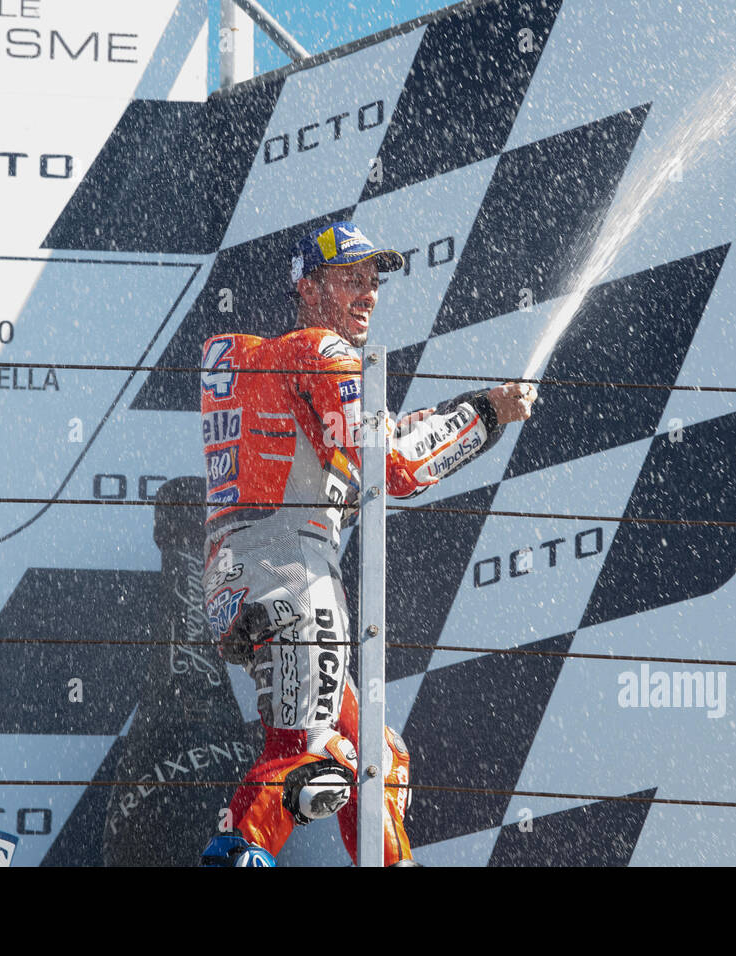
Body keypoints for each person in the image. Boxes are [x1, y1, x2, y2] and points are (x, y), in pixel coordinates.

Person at [197, 220, 536, 866]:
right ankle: (238, 854)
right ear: (308, 287)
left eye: (373, 281)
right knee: (313, 761)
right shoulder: (321, 352)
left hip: (241, 578)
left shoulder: (265, 363)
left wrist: (470, 407)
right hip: (293, 578)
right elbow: (390, 465)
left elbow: (367, 440)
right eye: (351, 278)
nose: (369, 293)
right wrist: (488, 414)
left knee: (379, 759)